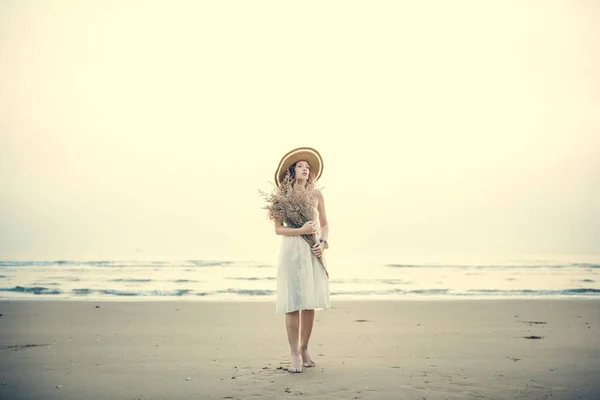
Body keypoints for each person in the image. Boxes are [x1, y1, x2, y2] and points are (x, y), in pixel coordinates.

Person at [269, 147, 331, 373]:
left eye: (308, 167)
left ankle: (304, 348)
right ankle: (293, 353)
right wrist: (301, 230)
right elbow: (278, 229)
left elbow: (324, 224)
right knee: (293, 302)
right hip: (292, 251)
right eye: (301, 166)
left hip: (312, 250)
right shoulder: (281, 196)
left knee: (309, 302)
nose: (306, 169)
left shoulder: (316, 195)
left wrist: (322, 243)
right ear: (292, 170)